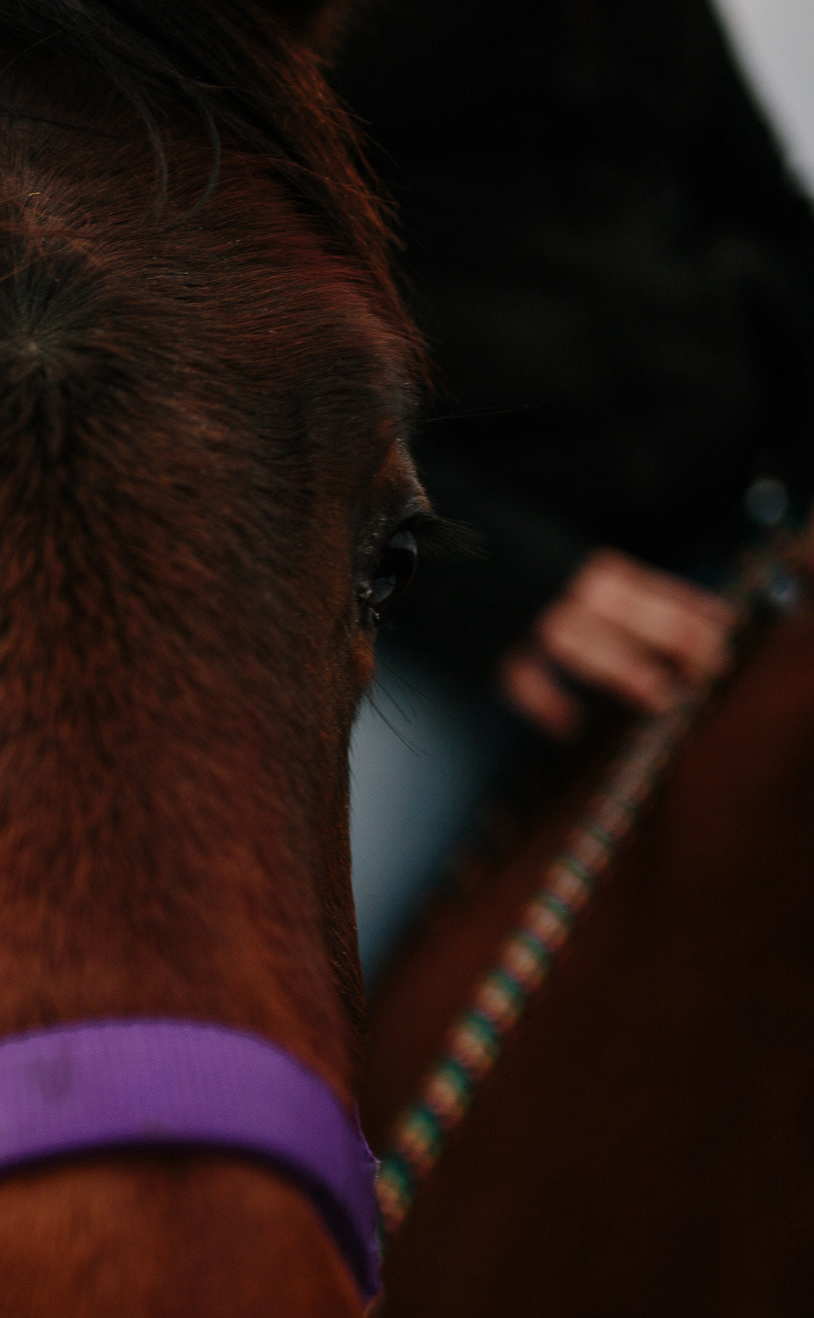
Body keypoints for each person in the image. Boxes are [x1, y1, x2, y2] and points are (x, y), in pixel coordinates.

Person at [331, 0, 814, 982]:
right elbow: (215, 347)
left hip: (724, 535)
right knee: (301, 982)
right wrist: (494, 588)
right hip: (414, 608)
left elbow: (767, 221)